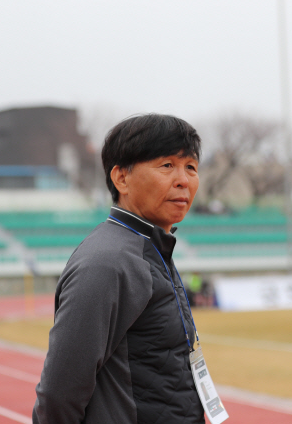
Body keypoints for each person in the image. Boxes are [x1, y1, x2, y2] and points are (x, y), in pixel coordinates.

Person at [33, 114, 205, 424]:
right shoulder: (107, 262)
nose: (183, 179)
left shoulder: (153, 247)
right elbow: (60, 394)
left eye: (190, 167)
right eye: (167, 165)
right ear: (121, 179)